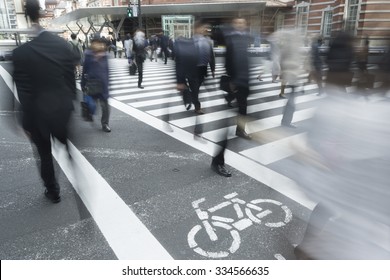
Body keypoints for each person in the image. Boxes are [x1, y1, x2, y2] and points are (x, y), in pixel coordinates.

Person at [12, 0, 76, 203]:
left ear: (26, 14)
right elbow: (70, 79)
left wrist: (26, 122)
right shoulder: (61, 44)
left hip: (38, 115)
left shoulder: (21, 53)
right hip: (61, 108)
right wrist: (70, 104)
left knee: (44, 155)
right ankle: (76, 170)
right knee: (65, 144)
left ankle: (53, 190)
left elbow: (24, 92)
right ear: (41, 13)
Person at [81, 34, 111, 132]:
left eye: (100, 43)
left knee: (105, 106)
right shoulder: (88, 55)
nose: (99, 45)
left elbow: (107, 70)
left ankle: (105, 124)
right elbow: (84, 70)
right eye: (96, 43)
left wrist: (108, 83)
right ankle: (90, 114)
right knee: (91, 104)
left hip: (103, 84)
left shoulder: (105, 55)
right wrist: (83, 83)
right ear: (93, 44)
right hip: (92, 83)